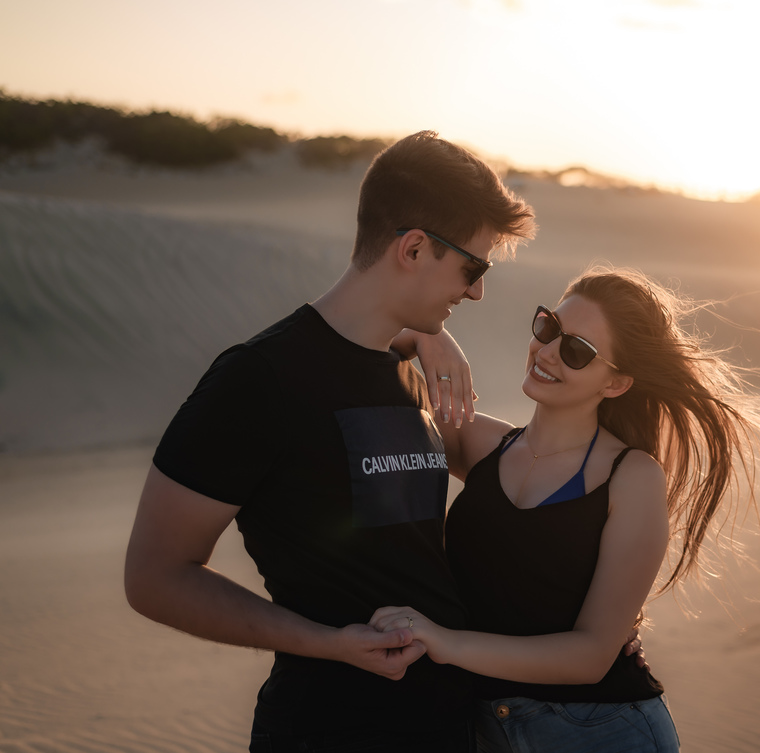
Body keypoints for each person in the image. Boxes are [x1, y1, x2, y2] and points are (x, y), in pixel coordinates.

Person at [124, 130, 538, 752]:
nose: (477, 291)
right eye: (471, 268)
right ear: (415, 248)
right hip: (328, 726)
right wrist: (326, 641)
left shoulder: (405, 367)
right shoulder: (259, 379)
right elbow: (154, 577)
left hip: (444, 726)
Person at [371, 267, 760, 753]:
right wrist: (428, 336)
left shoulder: (632, 476)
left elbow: (592, 656)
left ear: (616, 384)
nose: (549, 352)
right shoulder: (479, 443)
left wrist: (444, 643)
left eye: (578, 351)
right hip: (482, 729)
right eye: (549, 328)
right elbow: (363, 367)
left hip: (597, 732)